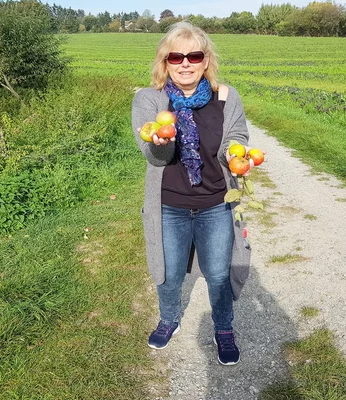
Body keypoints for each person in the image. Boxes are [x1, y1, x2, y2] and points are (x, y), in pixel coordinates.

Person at [131, 21, 252, 366]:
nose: (185, 63)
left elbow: (237, 136)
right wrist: (161, 143)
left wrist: (235, 153)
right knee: (168, 272)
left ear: (205, 60)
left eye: (194, 55)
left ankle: (224, 328)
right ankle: (169, 319)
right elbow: (155, 157)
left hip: (215, 202)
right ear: (164, 61)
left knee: (217, 273)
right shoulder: (149, 100)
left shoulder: (226, 97)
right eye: (176, 56)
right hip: (169, 205)